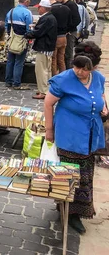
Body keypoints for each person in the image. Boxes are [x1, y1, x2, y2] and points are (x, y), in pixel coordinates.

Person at [44, 46, 108, 235]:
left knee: (85, 176)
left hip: (89, 136)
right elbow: (48, 103)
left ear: (93, 68)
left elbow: (101, 96)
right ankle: (67, 211)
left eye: (84, 68)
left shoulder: (99, 78)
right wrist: (49, 130)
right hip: (69, 135)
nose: (79, 71)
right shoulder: (63, 80)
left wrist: (104, 108)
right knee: (69, 176)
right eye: (77, 67)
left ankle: (76, 211)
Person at [25, 0, 57, 99]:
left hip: (44, 47)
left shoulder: (46, 18)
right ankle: (46, 89)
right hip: (48, 47)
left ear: (43, 8)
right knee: (47, 70)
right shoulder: (50, 17)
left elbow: (39, 32)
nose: (38, 9)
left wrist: (27, 34)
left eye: (39, 7)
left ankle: (43, 92)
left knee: (41, 70)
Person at [4, 0, 33, 90]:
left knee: (10, 61)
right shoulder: (27, 12)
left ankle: (8, 81)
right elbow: (29, 28)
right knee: (19, 62)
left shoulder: (11, 11)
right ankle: (16, 83)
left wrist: (10, 35)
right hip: (21, 40)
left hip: (12, 40)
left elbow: (7, 26)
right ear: (26, 2)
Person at [55, 0, 80, 69]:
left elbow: (77, 20)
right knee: (62, 54)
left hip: (70, 32)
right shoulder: (61, 4)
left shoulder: (71, 5)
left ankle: (69, 70)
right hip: (63, 32)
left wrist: (68, 30)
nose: (56, 0)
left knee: (68, 54)